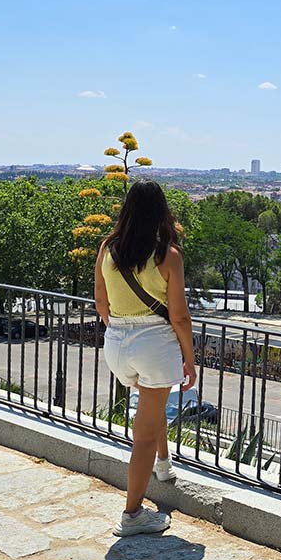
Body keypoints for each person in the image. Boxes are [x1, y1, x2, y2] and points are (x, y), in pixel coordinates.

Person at [94, 180, 197, 537]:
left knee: (151, 412)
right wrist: (190, 359)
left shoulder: (108, 248)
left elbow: (101, 304)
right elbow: (180, 317)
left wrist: (121, 333)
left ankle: (164, 465)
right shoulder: (167, 256)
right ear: (160, 212)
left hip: (117, 343)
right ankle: (133, 514)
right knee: (144, 433)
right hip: (154, 345)